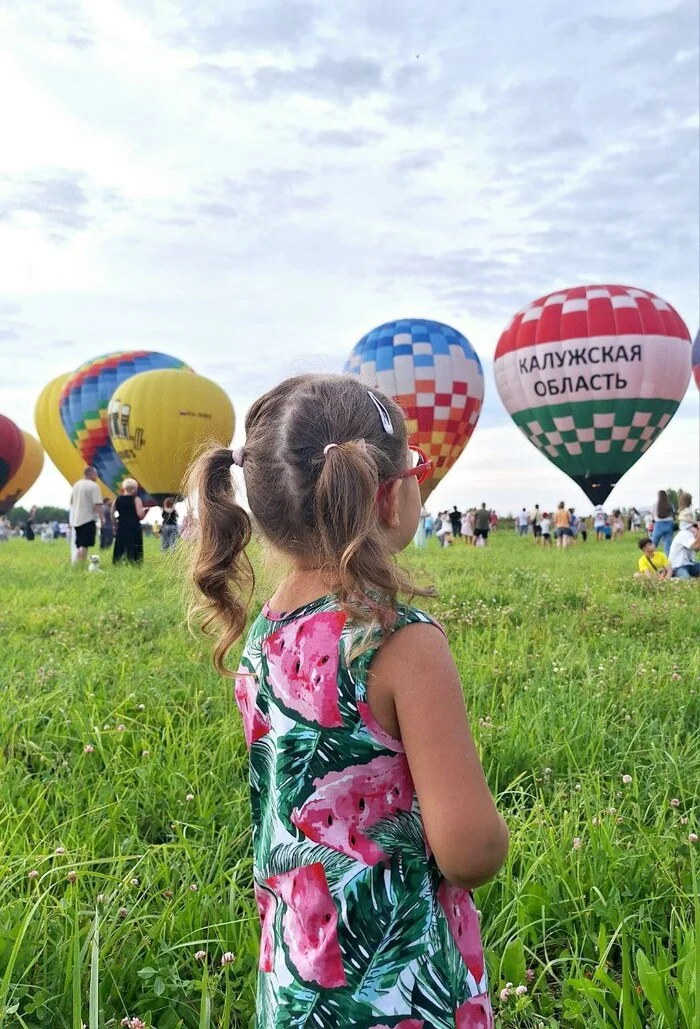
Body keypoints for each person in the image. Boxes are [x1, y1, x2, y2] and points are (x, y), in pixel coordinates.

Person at [187, 375, 508, 1026]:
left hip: (299, 972)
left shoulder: (265, 631)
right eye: (417, 467)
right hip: (401, 983)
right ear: (390, 498)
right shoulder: (403, 642)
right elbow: (469, 850)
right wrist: (497, 836)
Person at [70, 468, 104, 563]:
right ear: (92, 474)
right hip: (88, 519)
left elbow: (71, 502)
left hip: (76, 520)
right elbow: (98, 504)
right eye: (96, 474)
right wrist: (102, 518)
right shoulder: (94, 486)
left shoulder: (76, 485)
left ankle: (76, 563)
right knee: (84, 545)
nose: (97, 477)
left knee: (79, 544)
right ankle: (80, 564)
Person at [112, 478, 145, 564]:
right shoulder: (136, 499)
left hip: (122, 526)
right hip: (134, 526)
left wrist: (115, 523)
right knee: (135, 545)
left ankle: (118, 562)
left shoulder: (117, 499)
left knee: (120, 545)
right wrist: (144, 512)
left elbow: (112, 512)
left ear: (124, 488)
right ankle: (135, 562)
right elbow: (140, 514)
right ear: (135, 489)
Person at [651, 490, 675, 557]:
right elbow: (673, 515)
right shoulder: (670, 504)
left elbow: (653, 515)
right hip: (669, 524)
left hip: (659, 524)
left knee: (653, 543)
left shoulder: (655, 504)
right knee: (668, 545)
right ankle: (669, 561)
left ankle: (649, 558)